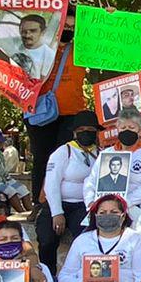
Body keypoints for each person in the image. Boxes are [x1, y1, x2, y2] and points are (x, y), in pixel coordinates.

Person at [24, 5, 89, 208]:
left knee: (65, 158)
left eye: (73, 26)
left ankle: (60, 202)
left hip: (72, 113)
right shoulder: (37, 48)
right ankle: (40, 204)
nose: (69, 29)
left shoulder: (84, 49)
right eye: (65, 25)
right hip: (39, 112)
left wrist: (109, 18)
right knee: (42, 158)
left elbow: (110, 42)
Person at [38, 111, 100, 272]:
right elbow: (51, 184)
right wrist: (57, 213)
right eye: (82, 129)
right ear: (74, 132)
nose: (86, 132)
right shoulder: (63, 152)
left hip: (83, 206)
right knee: (46, 240)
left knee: (86, 238)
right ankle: (48, 275)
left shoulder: (100, 154)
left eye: (90, 129)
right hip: (57, 204)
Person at [82, 114, 141, 230]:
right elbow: (91, 180)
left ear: (140, 131)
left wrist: (124, 203)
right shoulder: (107, 153)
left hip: (138, 209)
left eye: (131, 127)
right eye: (123, 128)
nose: (127, 131)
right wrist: (90, 202)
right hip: (106, 208)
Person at [9, 12, 55, 80]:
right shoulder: (10, 48)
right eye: (24, 31)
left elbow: (43, 81)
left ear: (43, 31)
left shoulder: (49, 55)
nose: (27, 35)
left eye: (33, 31)